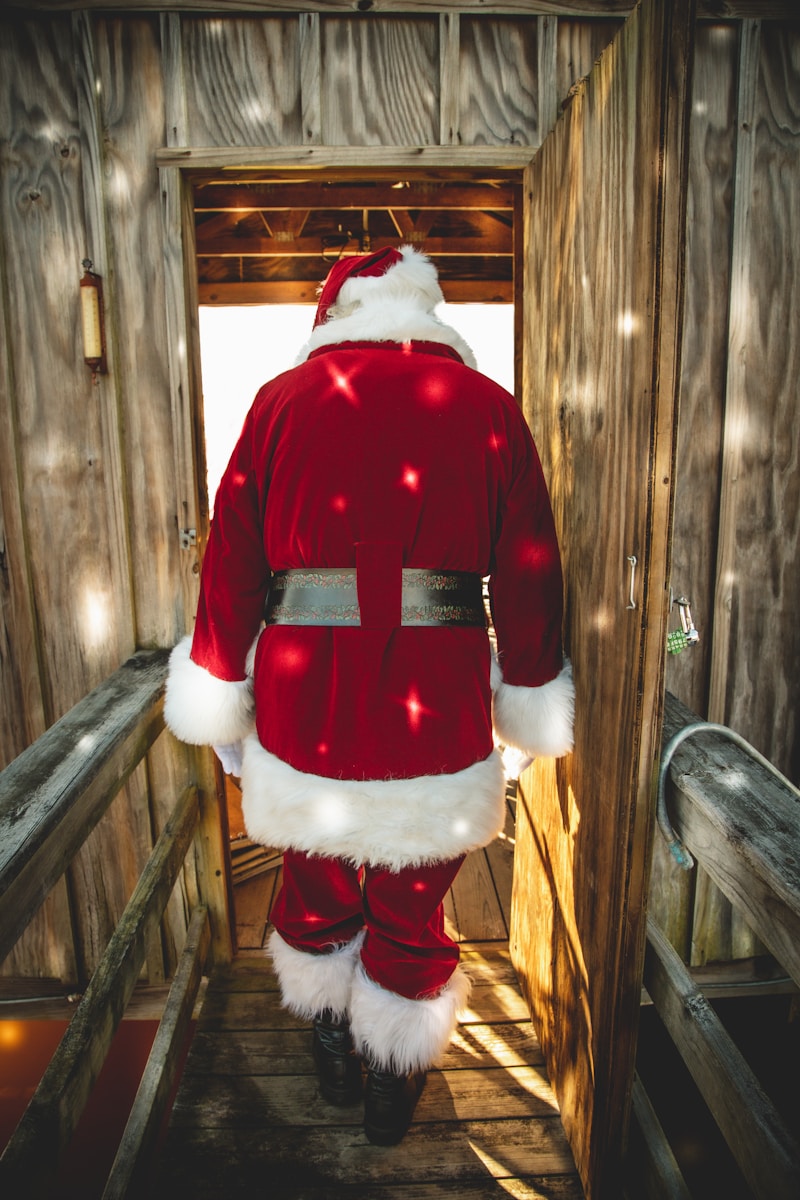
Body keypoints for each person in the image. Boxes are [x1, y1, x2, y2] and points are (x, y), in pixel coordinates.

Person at [164, 245, 574, 1145]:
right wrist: (531, 684)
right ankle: (394, 1078)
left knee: (314, 873)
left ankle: (332, 1046)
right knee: (415, 894)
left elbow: (229, 563)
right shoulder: (490, 410)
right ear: (423, 307)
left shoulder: (278, 404)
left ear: (335, 312)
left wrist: (220, 678)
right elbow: (531, 568)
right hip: (438, 699)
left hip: (308, 695)